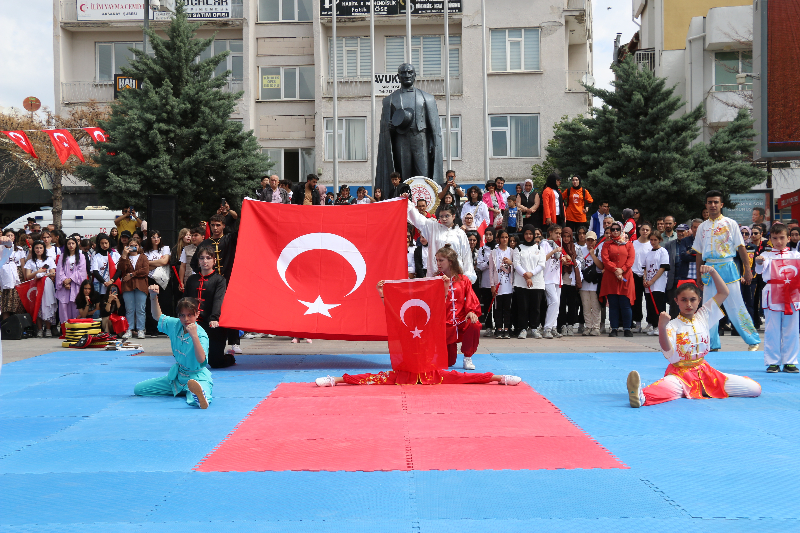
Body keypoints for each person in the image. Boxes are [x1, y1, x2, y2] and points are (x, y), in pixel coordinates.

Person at [316, 273, 520, 387]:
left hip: (430, 372)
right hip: (406, 372)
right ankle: (335, 379)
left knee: (465, 378)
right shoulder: (403, 326)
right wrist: (382, 294)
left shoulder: (430, 324)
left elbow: (440, 307)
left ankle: (500, 378)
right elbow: (393, 312)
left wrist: (444, 288)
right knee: (372, 378)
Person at [625, 267, 762, 408]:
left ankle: (697, 389)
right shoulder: (672, 325)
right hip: (680, 375)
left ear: (699, 300)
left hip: (706, 373)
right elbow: (668, 351)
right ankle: (640, 396)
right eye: (683, 300)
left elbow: (724, 292)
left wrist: (713, 272)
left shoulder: (704, 315)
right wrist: (661, 327)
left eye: (693, 300)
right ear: (676, 301)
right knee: (667, 388)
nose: (688, 304)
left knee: (754, 389)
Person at [693, 190, 760, 351]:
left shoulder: (731, 224)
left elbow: (741, 248)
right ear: (706, 205)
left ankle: (753, 340)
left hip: (728, 267)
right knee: (709, 308)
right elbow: (699, 253)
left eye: (716, 202)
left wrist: (748, 270)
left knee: (736, 305)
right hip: (708, 270)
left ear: (721, 204)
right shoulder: (702, 227)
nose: (713, 205)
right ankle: (711, 344)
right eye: (710, 202)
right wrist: (698, 275)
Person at [137, 290, 212, 409]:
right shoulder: (176, 324)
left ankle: (200, 394)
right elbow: (158, 316)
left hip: (197, 377)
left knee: (195, 400)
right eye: (182, 315)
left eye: (190, 315)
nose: (186, 319)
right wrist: (153, 296)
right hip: (178, 376)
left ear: (197, 314)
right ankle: (185, 390)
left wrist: (194, 336)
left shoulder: (201, 335)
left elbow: (201, 359)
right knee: (139, 389)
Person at [753, 223, 800, 373]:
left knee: (791, 329)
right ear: (770, 239)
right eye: (775, 238)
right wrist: (759, 261)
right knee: (772, 329)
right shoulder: (766, 256)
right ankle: (773, 361)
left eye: (782, 238)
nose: (779, 241)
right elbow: (759, 270)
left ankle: (790, 361)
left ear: (788, 238)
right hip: (773, 293)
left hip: (792, 294)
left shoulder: (796, 255)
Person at [184, 245, 237, 367]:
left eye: (208, 258)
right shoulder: (192, 279)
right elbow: (185, 300)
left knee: (216, 362)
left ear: (214, 261)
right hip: (194, 324)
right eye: (202, 258)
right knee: (189, 362)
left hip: (212, 324)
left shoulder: (219, 280)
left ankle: (230, 357)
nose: (205, 261)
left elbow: (218, 299)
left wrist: (214, 318)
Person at [406, 200, 477, 283]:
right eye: (441, 216)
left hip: (456, 275)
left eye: (447, 216)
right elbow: (418, 219)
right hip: (437, 273)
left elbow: (467, 256)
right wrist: (406, 202)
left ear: (453, 216)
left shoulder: (460, 233)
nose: (444, 219)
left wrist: (467, 276)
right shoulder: (433, 227)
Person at [435, 246, 483, 369]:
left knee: (474, 323)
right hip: (443, 323)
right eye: (437, 260)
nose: (438, 263)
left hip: (460, 320)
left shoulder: (464, 280)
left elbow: (471, 297)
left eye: (441, 260)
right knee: (448, 362)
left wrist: (471, 311)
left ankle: (468, 358)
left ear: (450, 262)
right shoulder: (435, 280)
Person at [108, 234, 150, 339]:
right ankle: (129, 329)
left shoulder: (143, 256)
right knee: (129, 309)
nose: (133, 247)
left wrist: (132, 274)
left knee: (140, 308)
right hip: (128, 286)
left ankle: (141, 329)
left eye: (135, 245)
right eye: (131, 245)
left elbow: (145, 270)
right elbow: (121, 269)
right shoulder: (125, 257)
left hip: (140, 285)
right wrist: (124, 255)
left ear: (139, 246)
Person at [600, 221, 635, 337]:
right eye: (613, 229)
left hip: (625, 277)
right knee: (613, 304)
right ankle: (614, 328)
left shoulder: (628, 244)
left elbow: (631, 259)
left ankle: (627, 328)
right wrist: (615, 270)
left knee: (626, 304)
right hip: (611, 277)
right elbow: (605, 259)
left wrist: (622, 270)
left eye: (617, 229)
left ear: (621, 230)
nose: (615, 231)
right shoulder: (607, 244)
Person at [513, 224, 545, 339]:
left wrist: (531, 274)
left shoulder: (539, 248)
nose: (528, 236)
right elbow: (516, 264)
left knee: (535, 307)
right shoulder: (518, 248)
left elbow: (541, 264)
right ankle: (523, 328)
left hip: (537, 283)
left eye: (530, 234)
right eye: (526, 233)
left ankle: (534, 328)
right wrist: (526, 276)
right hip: (521, 283)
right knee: (523, 307)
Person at [24, 240, 57, 337]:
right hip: (35, 285)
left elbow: (53, 273)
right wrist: (37, 272)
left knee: (47, 305)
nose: (39, 250)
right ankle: (39, 329)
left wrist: (44, 274)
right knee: (37, 306)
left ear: (44, 249)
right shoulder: (30, 261)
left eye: (41, 248)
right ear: (33, 249)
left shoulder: (49, 260)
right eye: (37, 248)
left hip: (46, 283)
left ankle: (48, 329)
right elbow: (28, 276)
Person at [143, 230, 172, 338]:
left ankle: (165, 329)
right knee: (151, 303)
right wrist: (157, 263)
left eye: (158, 237)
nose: (156, 239)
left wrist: (149, 263)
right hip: (150, 279)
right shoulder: (145, 251)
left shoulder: (165, 248)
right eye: (153, 237)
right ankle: (152, 329)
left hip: (163, 279)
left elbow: (164, 262)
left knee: (165, 303)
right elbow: (145, 267)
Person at [540, 224, 567, 339]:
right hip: (547, 278)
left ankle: (553, 327)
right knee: (554, 302)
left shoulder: (557, 245)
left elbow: (559, 258)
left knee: (557, 303)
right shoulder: (544, 243)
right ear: (550, 232)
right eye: (556, 233)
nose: (558, 235)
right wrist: (554, 251)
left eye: (560, 233)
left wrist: (565, 259)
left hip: (556, 277)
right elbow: (542, 259)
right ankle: (547, 328)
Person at [55, 236, 88, 325]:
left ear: (76, 245)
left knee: (76, 306)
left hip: (76, 285)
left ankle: (75, 327)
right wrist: (64, 281)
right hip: (64, 286)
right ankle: (65, 328)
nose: (71, 245)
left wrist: (70, 279)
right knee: (64, 307)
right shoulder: (62, 256)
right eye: (69, 243)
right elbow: (59, 270)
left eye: (73, 243)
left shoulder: (81, 256)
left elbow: (81, 270)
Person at [643, 231, 669, 335]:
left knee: (658, 304)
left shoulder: (663, 251)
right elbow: (644, 267)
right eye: (651, 240)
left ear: (660, 240)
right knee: (650, 305)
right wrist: (645, 280)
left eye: (655, 240)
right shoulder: (648, 253)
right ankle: (654, 325)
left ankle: (661, 327)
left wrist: (653, 280)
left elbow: (663, 267)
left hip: (658, 283)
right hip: (648, 283)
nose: (653, 242)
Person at [577, 230, 603, 336]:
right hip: (584, 282)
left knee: (595, 306)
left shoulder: (598, 251)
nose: (590, 243)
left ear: (596, 241)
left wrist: (593, 255)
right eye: (588, 240)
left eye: (592, 240)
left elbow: (601, 266)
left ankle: (596, 327)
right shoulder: (580, 250)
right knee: (586, 306)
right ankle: (588, 326)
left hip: (594, 283)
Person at [557, 226, 582, 336]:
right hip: (561, 280)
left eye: (568, 236)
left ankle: (571, 325)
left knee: (572, 304)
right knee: (561, 304)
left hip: (572, 280)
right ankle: (562, 325)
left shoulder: (576, 248)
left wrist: (572, 261)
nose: (566, 239)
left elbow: (582, 262)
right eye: (564, 236)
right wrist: (562, 262)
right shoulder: (558, 247)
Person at [489, 229, 514, 339]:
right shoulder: (494, 252)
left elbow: (516, 266)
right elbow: (491, 270)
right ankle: (499, 328)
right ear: (498, 239)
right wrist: (492, 285)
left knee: (507, 308)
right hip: (498, 283)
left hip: (508, 284)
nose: (504, 239)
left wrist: (511, 263)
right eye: (502, 237)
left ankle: (507, 329)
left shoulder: (512, 251)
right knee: (498, 308)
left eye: (506, 237)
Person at [631, 222, 653, 333]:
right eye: (643, 229)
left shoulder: (651, 245)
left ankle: (650, 323)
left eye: (647, 230)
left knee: (649, 300)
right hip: (635, 274)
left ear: (650, 231)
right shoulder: (633, 243)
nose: (645, 232)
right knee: (636, 300)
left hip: (648, 276)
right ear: (639, 231)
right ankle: (637, 323)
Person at [476, 228, 497, 336]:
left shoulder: (498, 248)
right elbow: (479, 265)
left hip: (497, 281)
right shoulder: (482, 249)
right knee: (488, 304)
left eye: (490, 234)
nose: (488, 237)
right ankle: (489, 327)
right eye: (487, 234)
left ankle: (499, 326)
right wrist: (489, 263)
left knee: (497, 306)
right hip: (486, 281)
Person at [0, 229, 25, 319]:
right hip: (6, 274)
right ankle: (6, 324)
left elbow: (23, 264)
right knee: (7, 302)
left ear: (14, 237)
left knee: (18, 302)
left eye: (12, 235)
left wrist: (25, 278)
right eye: (8, 235)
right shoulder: (2, 248)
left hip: (18, 274)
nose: (10, 237)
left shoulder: (19, 249)